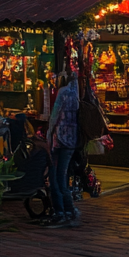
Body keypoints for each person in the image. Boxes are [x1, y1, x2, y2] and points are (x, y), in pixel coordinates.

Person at [44, 71, 82, 228]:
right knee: (63, 176)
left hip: (59, 139)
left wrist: (48, 134)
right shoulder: (77, 93)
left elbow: (55, 116)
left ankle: (60, 211)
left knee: (55, 177)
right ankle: (70, 210)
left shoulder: (63, 92)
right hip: (72, 140)